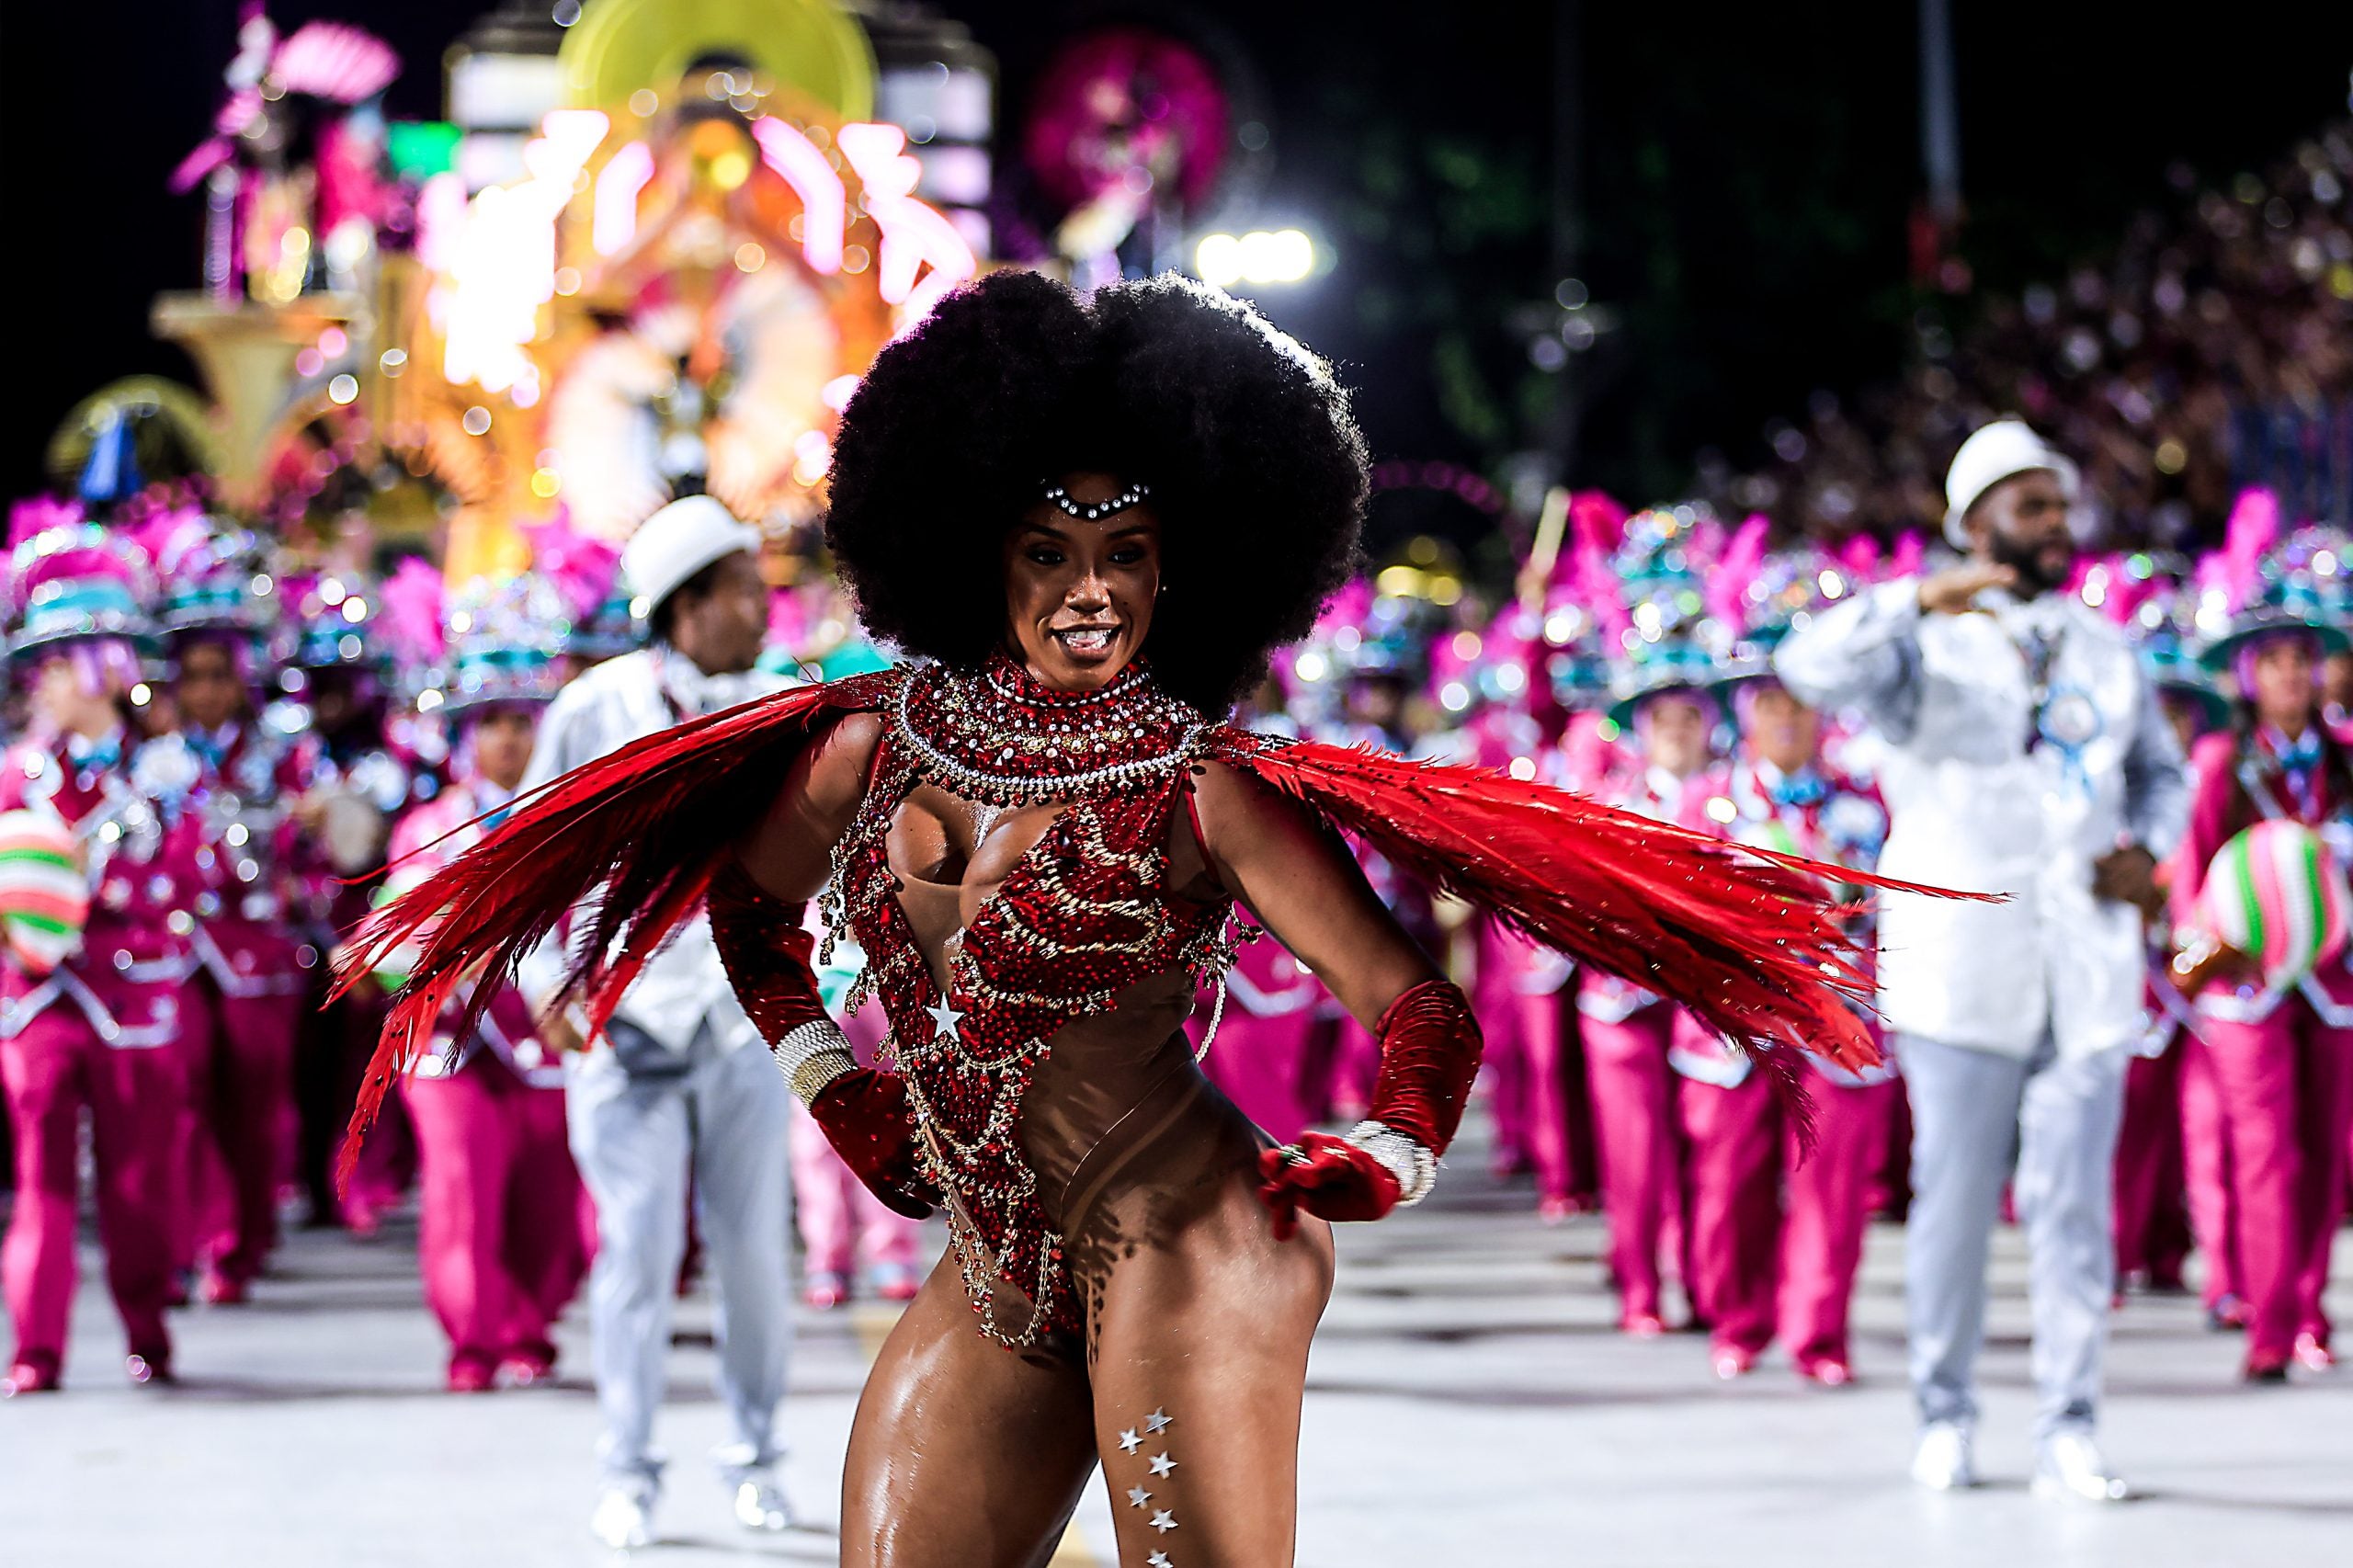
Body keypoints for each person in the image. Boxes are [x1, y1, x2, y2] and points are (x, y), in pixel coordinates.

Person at [350, 274, 1945, 1564]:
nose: (1088, 591)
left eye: (1126, 556)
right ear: (979, 554)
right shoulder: (870, 744)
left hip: (1185, 1236)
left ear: (1188, 574)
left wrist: (1382, 1148)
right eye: (1048, 554)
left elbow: (1417, 1002)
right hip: (992, 1257)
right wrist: (832, 1085)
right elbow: (749, 909)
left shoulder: (1209, 786)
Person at [1777, 418, 2188, 1501]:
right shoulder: (1921, 642)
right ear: (1973, 524)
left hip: (2085, 965)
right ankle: (1945, 1413)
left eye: (2057, 503)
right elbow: (1804, 666)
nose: (2056, 523)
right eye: (2030, 504)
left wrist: (2147, 850)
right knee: (1952, 1205)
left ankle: (2069, 1425)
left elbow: (2158, 773)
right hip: (1964, 962)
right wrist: (1915, 597)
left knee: (2072, 1211)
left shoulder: (2106, 643)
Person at [513, 494, 796, 1548]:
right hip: (621, 1026)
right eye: (745, 593)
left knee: (755, 1253)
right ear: (686, 605)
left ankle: (757, 1460)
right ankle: (626, 1470)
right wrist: (549, 981)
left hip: (744, 1023)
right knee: (631, 1255)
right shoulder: (595, 708)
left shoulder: (786, 710)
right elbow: (529, 860)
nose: (766, 611)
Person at [0, 521, 205, 1392]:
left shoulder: (162, 776)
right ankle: (36, 1350)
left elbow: (189, 880)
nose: (49, 677)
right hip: (38, 999)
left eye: (71, 658)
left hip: (132, 998)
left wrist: (109, 875)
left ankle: (147, 1330)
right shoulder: (12, 777)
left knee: (137, 1181)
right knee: (39, 1178)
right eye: (45, 660)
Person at [376, 576, 589, 1392]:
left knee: (550, 1200)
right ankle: (471, 1342)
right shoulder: (428, 832)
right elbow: (391, 944)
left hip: (548, 1037)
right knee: (461, 1194)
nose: (508, 739)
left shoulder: (580, 822)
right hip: (448, 1044)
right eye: (491, 722)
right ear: (464, 733)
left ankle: (530, 1322)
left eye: (522, 721)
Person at [1681, 617, 1895, 1385]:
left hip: (1839, 1020)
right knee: (1731, 1181)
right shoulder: (1709, 803)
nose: (1786, 718)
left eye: (1801, 702)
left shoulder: (1865, 803)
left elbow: (1890, 901)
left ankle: (1821, 1337)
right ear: (1746, 712)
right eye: (1770, 702)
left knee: (1834, 1186)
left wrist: (1843, 886)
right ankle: (1738, 1323)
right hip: (1736, 1025)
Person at [2167, 568, 2351, 1381]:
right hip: (2244, 986)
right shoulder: (2219, 761)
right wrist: (2206, 951)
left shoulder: (2346, 757)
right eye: (2270, 660)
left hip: (2335, 980)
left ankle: (2310, 1309)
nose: (2287, 674)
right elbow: (2192, 873)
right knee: (2264, 1151)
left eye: (2300, 659)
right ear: (2246, 673)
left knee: (2325, 1149)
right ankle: (2269, 1322)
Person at [158, 519, 316, 1305]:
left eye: (221, 674)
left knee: (254, 1105)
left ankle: (243, 1242)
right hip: (178, 952)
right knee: (180, 1094)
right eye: (193, 675)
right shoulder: (153, 756)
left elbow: (317, 846)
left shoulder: (284, 749)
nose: (208, 690)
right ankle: (191, 1238)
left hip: (257, 951)